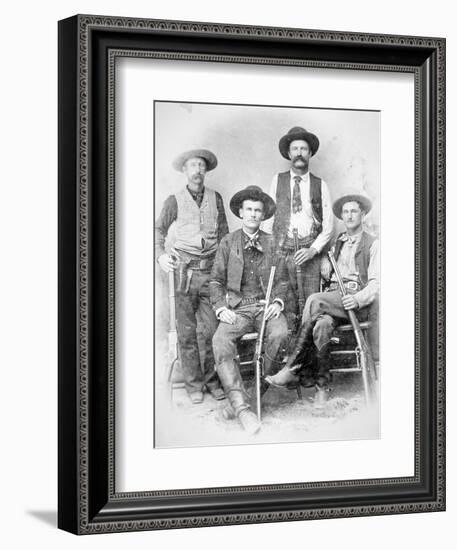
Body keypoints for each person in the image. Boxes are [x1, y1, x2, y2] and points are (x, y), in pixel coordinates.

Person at [266, 193, 379, 407]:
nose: (349, 216)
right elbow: (330, 276)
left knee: (314, 300)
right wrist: (326, 266)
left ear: (363, 214)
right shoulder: (339, 243)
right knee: (322, 325)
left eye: (354, 211)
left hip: (355, 304)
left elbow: (376, 284)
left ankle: (294, 367)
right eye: (345, 212)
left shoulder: (373, 244)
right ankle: (321, 386)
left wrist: (357, 299)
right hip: (334, 301)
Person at [210, 186, 289, 434]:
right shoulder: (228, 242)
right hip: (239, 308)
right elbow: (215, 281)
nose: (253, 214)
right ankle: (244, 410)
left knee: (280, 334)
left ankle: (247, 399)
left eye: (258, 210)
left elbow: (283, 281)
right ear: (241, 213)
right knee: (220, 340)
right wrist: (221, 307)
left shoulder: (272, 242)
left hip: (265, 306)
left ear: (263, 215)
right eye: (249, 210)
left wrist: (277, 302)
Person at [155, 149, 229, 404]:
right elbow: (158, 230)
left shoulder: (215, 198)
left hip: (210, 272)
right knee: (186, 331)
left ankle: (212, 381)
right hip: (183, 273)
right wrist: (160, 255)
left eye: (201, 166)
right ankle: (193, 384)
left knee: (210, 329)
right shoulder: (173, 200)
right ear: (185, 171)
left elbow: (224, 237)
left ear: (205, 171)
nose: (197, 170)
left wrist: (222, 269)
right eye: (192, 166)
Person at [262, 126, 333, 330]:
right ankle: (290, 358)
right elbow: (269, 217)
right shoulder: (278, 180)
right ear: (288, 153)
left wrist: (313, 250)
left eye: (303, 149)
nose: (299, 153)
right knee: (286, 305)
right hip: (283, 252)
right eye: (295, 149)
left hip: (309, 254)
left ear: (310, 153)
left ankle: (308, 359)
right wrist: (269, 249)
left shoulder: (321, 185)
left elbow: (328, 224)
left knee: (311, 306)